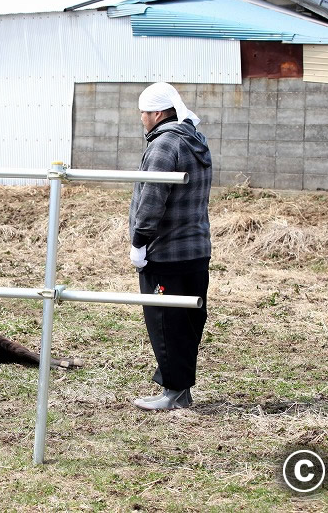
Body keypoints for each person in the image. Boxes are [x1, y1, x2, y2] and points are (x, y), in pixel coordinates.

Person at [129, 82, 212, 411]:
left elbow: (152, 198)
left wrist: (139, 241)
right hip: (196, 249)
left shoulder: (165, 145)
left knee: (165, 321)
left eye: (145, 113)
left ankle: (173, 394)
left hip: (165, 251)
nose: (142, 118)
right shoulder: (195, 140)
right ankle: (181, 390)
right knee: (188, 321)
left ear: (159, 113)